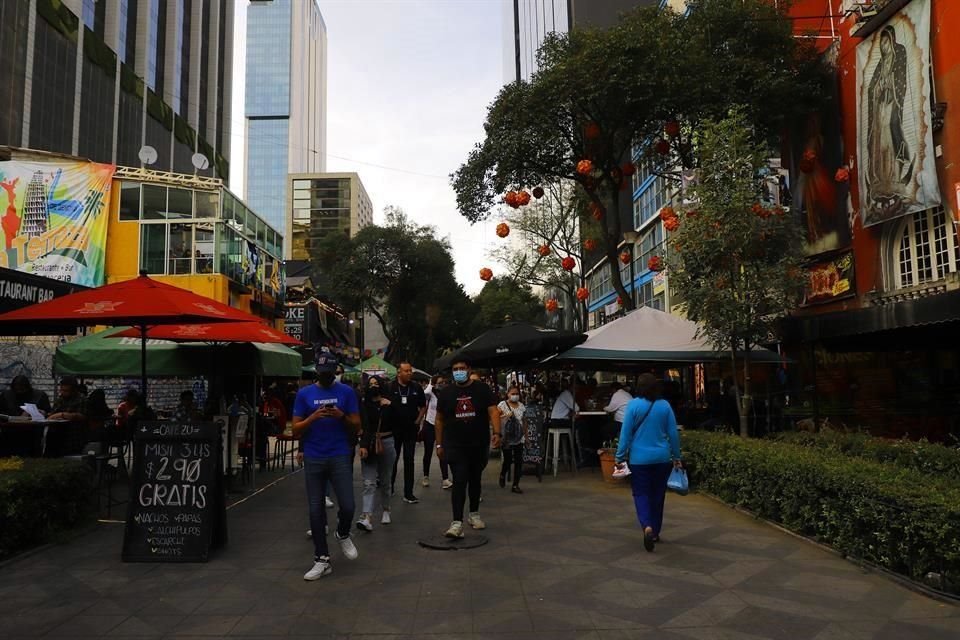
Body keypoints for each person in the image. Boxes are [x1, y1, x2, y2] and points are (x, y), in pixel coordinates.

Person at [292, 351, 361, 580]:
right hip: (314, 455)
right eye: (322, 373)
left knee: (348, 505)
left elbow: (356, 426)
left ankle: (342, 532)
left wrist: (340, 415)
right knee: (315, 509)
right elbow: (295, 429)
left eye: (330, 373)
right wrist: (314, 417)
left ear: (336, 371)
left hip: (339, 454)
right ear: (317, 372)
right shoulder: (304, 394)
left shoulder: (347, 392)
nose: (326, 377)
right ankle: (321, 559)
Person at [614, 373, 682, 553]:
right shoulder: (665, 406)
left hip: (639, 460)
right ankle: (656, 531)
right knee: (658, 495)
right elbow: (673, 434)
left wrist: (619, 456)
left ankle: (647, 527)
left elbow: (625, 434)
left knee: (641, 494)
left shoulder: (633, 405)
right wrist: (677, 456)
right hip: (662, 458)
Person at [435, 357, 501, 538]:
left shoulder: (482, 389)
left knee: (475, 480)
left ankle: (474, 514)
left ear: (469, 369)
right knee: (459, 480)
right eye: (455, 369)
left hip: (478, 445)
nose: (458, 371)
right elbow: (439, 419)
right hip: (455, 445)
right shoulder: (446, 393)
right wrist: (439, 444)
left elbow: (493, 411)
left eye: (461, 368)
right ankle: (456, 523)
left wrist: (497, 433)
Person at [356, 377, 395, 531]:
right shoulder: (364, 405)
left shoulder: (389, 402)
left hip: (387, 441)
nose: (373, 386)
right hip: (369, 444)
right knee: (369, 482)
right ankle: (367, 516)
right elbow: (363, 425)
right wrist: (363, 444)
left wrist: (390, 406)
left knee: (385, 480)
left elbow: (399, 420)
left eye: (376, 383)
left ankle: (386, 509)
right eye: (370, 384)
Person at [388, 362, 426, 504]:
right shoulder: (390, 387)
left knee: (409, 460)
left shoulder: (416, 387)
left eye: (410, 370)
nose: (409, 373)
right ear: (399, 372)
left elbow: (423, 406)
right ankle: (389, 487)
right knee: (393, 459)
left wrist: (418, 421)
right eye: (406, 371)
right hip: (394, 429)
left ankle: (408, 493)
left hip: (411, 429)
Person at [420, 375, 451, 489]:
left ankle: (445, 479)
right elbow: (424, 393)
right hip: (429, 423)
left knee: (442, 451)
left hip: (442, 425)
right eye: (439, 382)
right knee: (427, 452)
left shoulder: (445, 394)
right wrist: (430, 384)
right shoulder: (430, 394)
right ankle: (425, 476)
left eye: (443, 382)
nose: (442, 384)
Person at [498, 383, 526, 494]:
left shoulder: (522, 406)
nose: (515, 395)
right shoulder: (502, 405)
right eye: (512, 393)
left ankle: (515, 485)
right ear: (508, 394)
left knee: (519, 462)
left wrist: (526, 437)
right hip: (507, 438)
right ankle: (502, 474)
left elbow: (524, 422)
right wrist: (505, 416)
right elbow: (495, 419)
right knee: (508, 460)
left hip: (519, 437)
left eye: (517, 394)